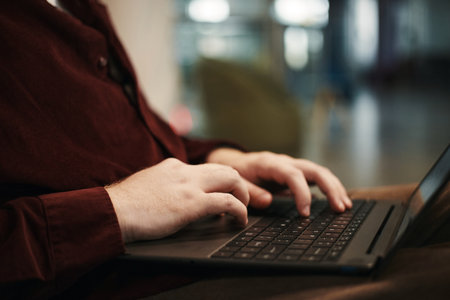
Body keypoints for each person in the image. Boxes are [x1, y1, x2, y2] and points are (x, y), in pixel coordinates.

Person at [0, 0, 352, 298]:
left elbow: (142, 136)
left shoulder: (82, 8)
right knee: (393, 260)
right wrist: (117, 210)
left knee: (381, 219)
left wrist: (226, 161)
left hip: (194, 240)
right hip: (123, 280)